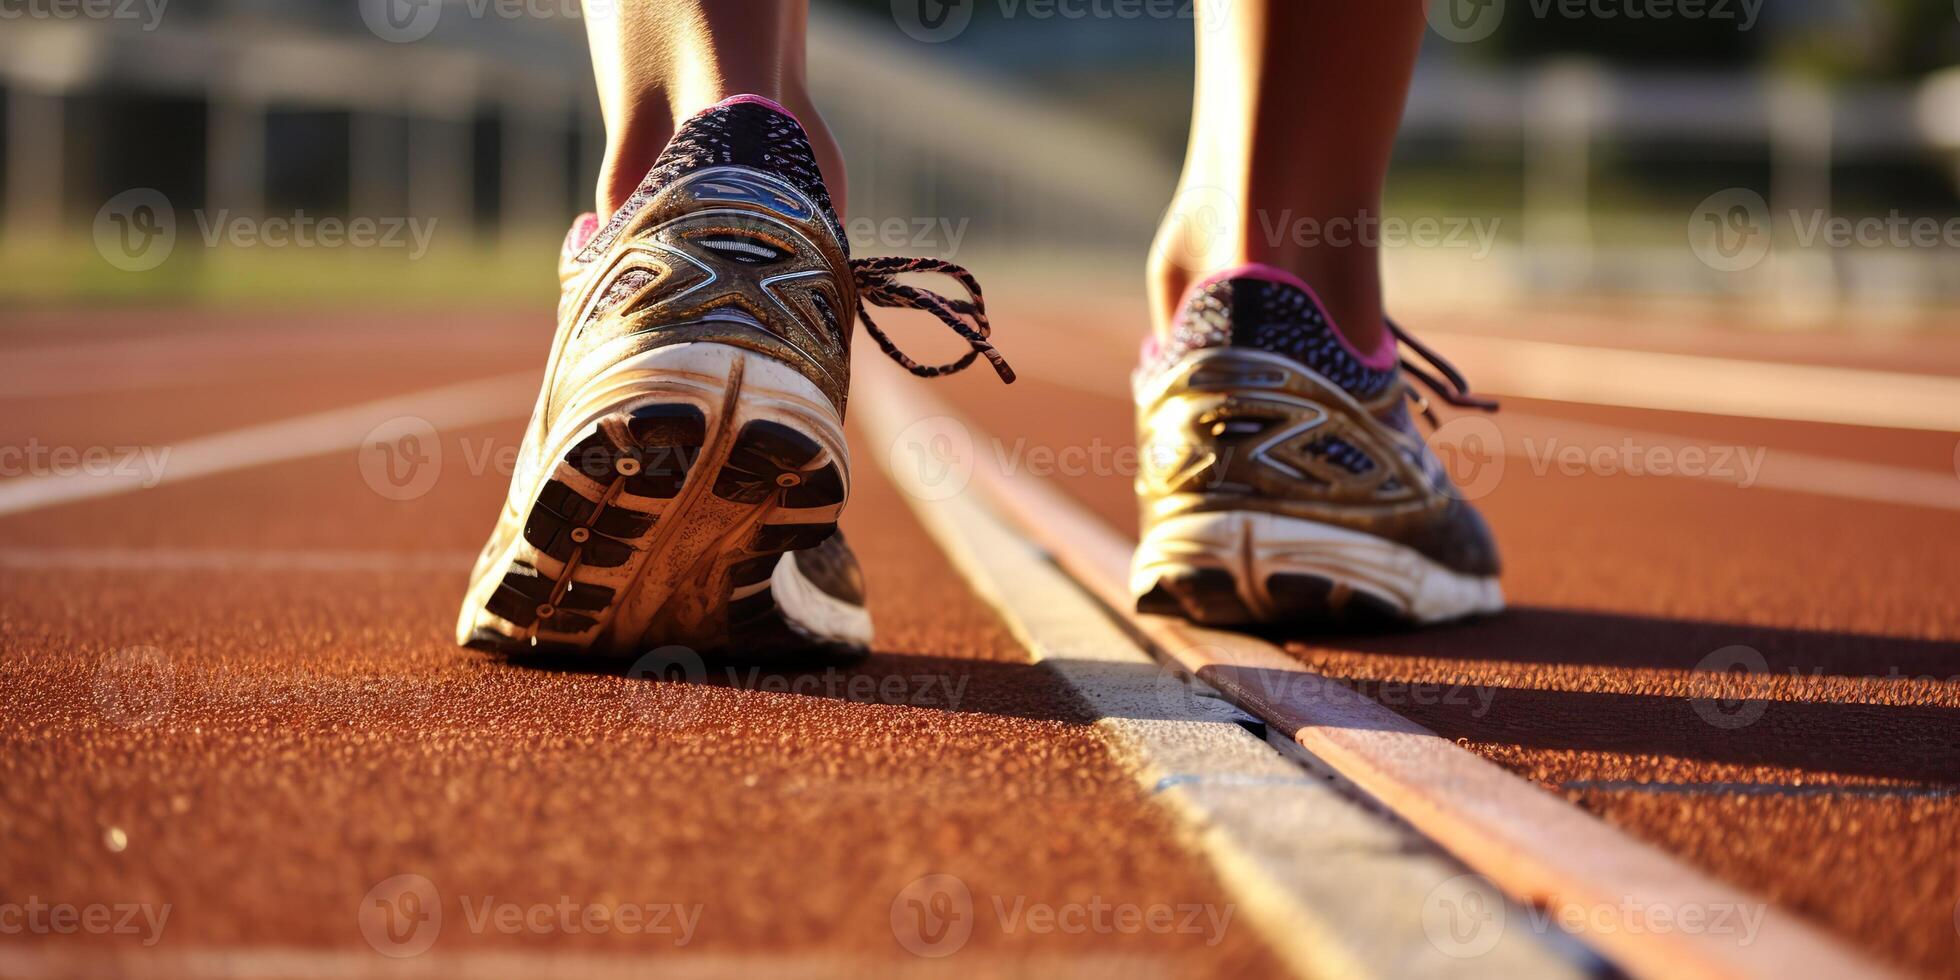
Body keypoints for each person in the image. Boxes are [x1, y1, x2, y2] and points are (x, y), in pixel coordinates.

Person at [456, 0, 1501, 657]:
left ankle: (706, 214)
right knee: (1267, 242)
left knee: (726, 115)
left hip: (684, 254)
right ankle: (1271, 325)